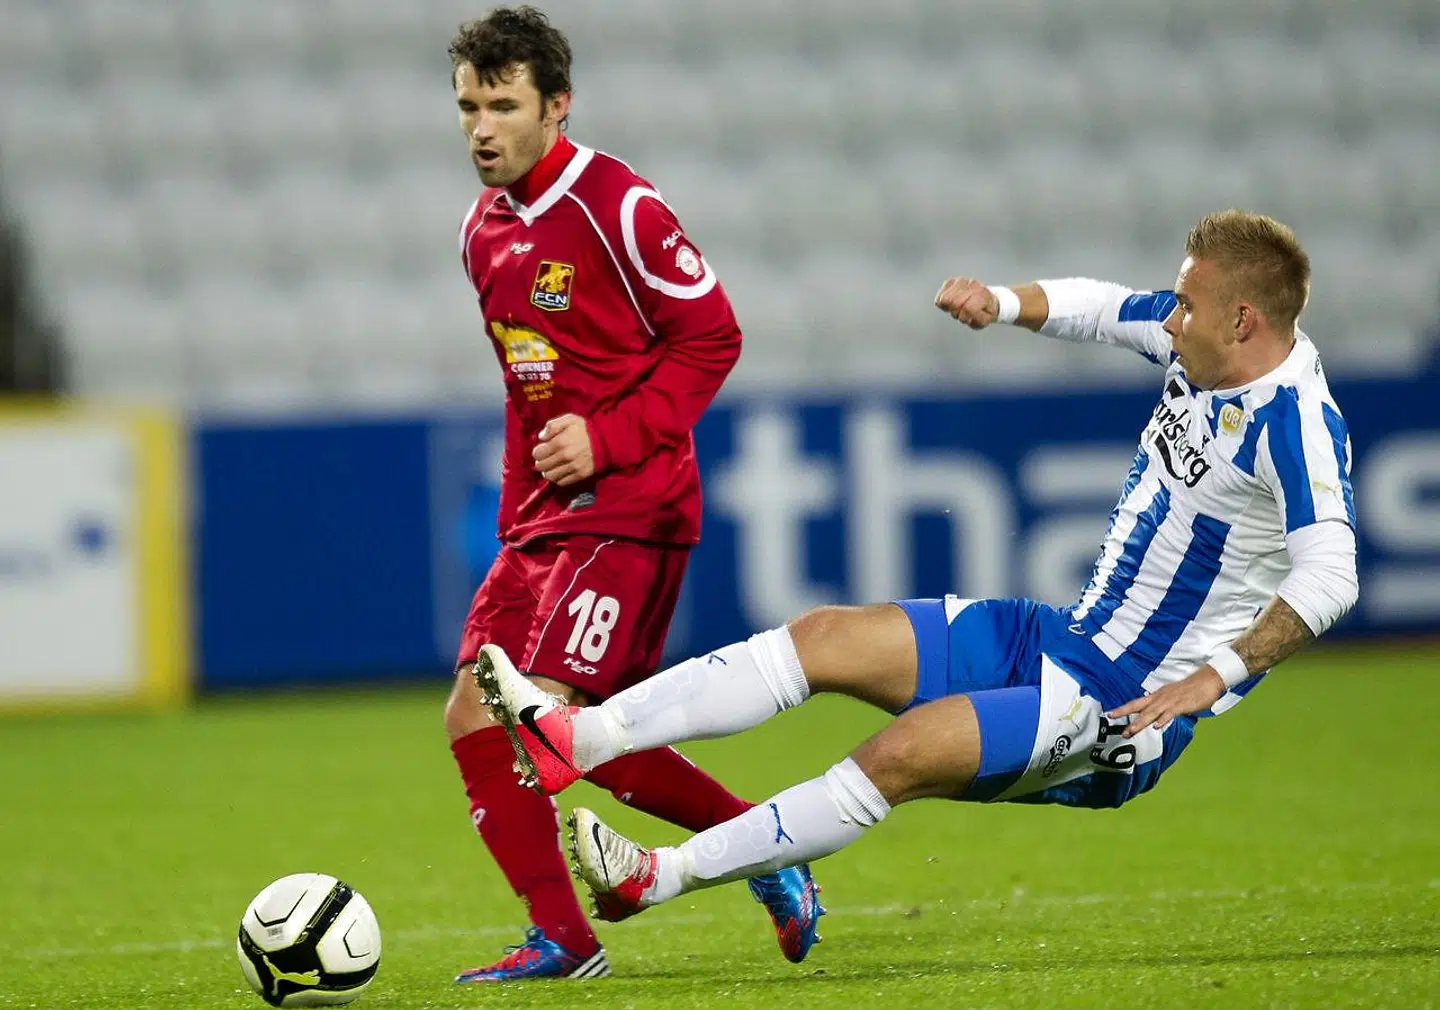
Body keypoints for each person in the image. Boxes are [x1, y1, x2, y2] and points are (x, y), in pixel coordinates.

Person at [474, 209, 1359, 926]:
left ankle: (657, 878)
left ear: (1244, 320)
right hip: (1066, 635)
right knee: (826, 637)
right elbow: (1099, 304)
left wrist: (1212, 680)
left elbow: (1332, 577)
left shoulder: (1297, 423)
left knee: (895, 758)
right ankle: (577, 740)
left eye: (1187, 305)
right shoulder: (1188, 342)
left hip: (1124, 705)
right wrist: (1001, 304)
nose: (1168, 315)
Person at [443, 7, 821, 982]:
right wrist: (517, 526)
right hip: (544, 524)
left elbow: (714, 337)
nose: (481, 127)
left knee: (553, 723)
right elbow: (528, 390)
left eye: (503, 105)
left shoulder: (619, 205)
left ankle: (745, 855)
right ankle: (575, 932)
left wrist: (606, 436)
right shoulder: (482, 233)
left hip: (635, 506)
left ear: (556, 106)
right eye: (467, 107)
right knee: (483, 720)